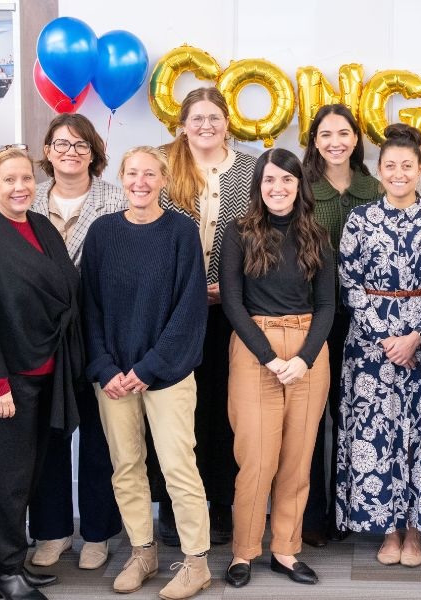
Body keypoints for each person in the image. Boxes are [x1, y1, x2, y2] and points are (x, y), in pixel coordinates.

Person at [0, 146, 84, 600]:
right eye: (9, 180)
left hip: (45, 371)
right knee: (7, 482)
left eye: (26, 178)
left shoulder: (40, 226)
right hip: (3, 380)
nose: (20, 187)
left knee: (24, 476)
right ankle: (7, 575)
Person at [81, 146, 213, 598]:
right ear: (121, 178)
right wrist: (105, 367)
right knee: (126, 466)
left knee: (179, 467)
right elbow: (90, 308)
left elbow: (190, 310)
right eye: (132, 173)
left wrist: (150, 367)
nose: (140, 181)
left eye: (149, 174)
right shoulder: (102, 233)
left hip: (168, 373)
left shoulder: (181, 231)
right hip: (113, 378)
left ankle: (197, 563)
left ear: (163, 180)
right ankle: (143, 552)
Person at [336, 122, 421, 566]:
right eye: (391, 166)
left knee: (420, 434)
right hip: (370, 348)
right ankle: (386, 529)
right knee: (377, 433)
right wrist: (383, 336)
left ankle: (414, 531)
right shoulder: (359, 219)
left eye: (408, 165)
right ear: (379, 170)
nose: (399, 172)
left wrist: (419, 339)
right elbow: (348, 282)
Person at [220, 148, 335, 588]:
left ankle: (285, 550)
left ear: (298, 186)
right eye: (269, 180)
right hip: (256, 348)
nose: (278, 188)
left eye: (287, 180)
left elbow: (327, 304)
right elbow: (232, 302)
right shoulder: (239, 232)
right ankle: (244, 551)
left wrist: (303, 359)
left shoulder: (317, 235)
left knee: (297, 460)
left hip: (308, 349)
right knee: (256, 459)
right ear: (259, 186)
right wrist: (269, 357)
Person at [26, 113, 127, 570]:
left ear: (94, 152)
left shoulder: (117, 198)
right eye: (61, 144)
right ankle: (51, 531)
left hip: (98, 332)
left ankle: (98, 533)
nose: (70, 152)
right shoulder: (27, 198)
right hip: (42, 336)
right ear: (46, 150)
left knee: (99, 436)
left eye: (80, 145)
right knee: (47, 435)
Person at [158, 87, 256, 546]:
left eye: (214, 118)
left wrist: (230, 287)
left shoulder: (251, 168)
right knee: (178, 410)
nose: (205, 126)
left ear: (226, 123)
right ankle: (176, 509)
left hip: (233, 308)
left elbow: (260, 236)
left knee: (224, 409)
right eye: (196, 118)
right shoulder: (162, 164)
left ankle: (220, 505)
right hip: (176, 307)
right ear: (182, 125)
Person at [298, 103, 381, 548]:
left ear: (355, 138)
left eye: (343, 133)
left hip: (367, 325)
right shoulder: (304, 191)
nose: (335, 142)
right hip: (315, 320)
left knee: (351, 418)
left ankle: (347, 510)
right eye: (326, 134)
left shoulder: (377, 188)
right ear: (314, 141)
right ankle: (311, 515)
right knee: (312, 419)